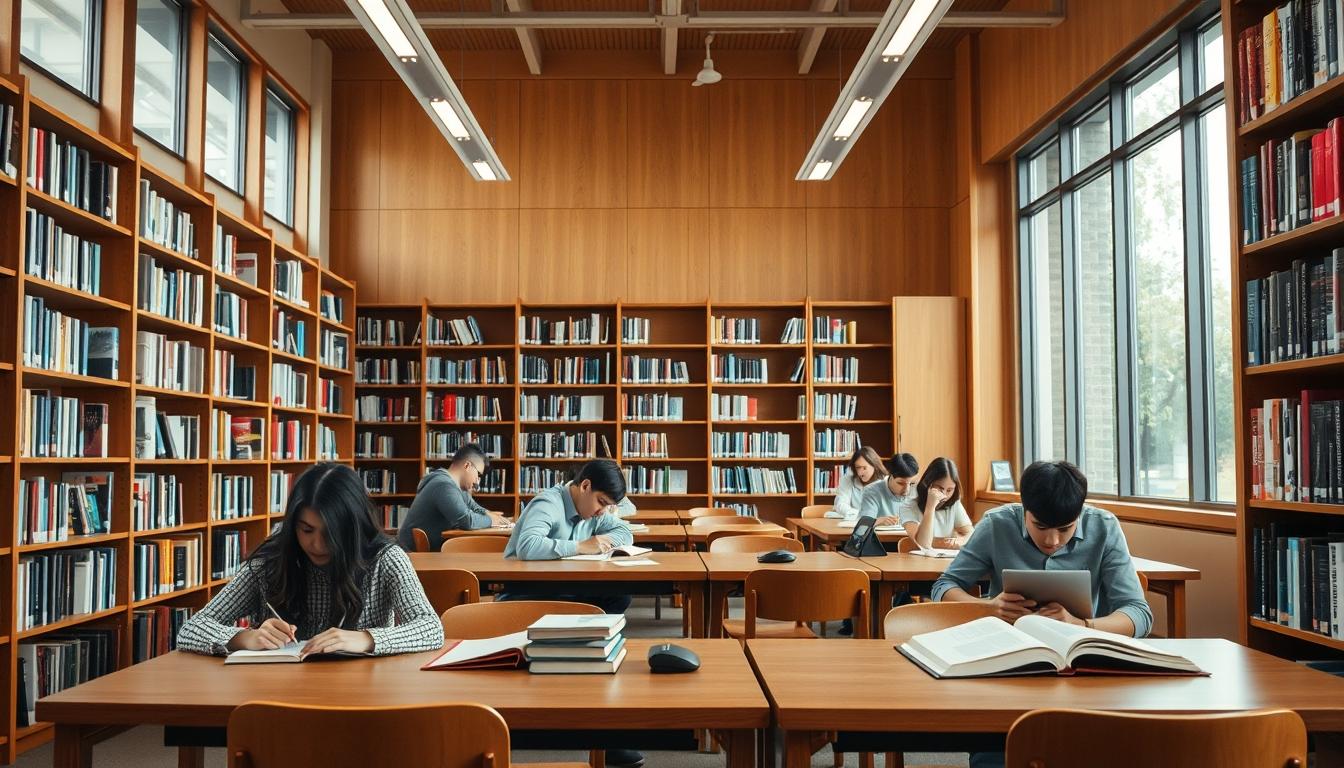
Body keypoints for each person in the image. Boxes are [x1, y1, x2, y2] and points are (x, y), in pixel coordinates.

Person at [177, 463, 444, 657]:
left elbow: (431, 628)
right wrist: (245, 638)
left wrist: (365, 639)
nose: (316, 544)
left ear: (352, 529)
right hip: (278, 697)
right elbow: (190, 629)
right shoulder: (270, 562)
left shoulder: (385, 559)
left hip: (361, 696)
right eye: (306, 530)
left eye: (331, 533)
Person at [932, 460, 1152, 636]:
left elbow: (1139, 613)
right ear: (1024, 509)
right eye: (1040, 526)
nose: (1052, 541)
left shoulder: (1104, 527)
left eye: (1065, 529)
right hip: (1006, 643)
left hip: (1081, 651)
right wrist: (986, 608)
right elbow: (943, 586)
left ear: (1079, 514)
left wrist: (1081, 625)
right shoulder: (997, 524)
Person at [499, 458, 634, 614]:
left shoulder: (595, 512)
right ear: (585, 486)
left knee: (620, 596)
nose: (603, 511)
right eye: (602, 502)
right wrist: (581, 547)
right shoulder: (548, 503)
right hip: (527, 587)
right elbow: (527, 545)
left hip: (564, 584)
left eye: (608, 506)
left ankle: (588, 629)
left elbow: (625, 532)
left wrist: (603, 541)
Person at [397, 444, 507, 552]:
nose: (477, 482)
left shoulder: (456, 487)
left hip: (430, 552)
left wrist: (491, 515)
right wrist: (491, 520)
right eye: (478, 475)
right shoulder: (444, 485)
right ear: (467, 466)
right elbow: (466, 521)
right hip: (411, 556)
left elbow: (474, 507)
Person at [897, 457, 974, 551]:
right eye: (940, 488)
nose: (944, 495)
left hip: (945, 558)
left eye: (949, 490)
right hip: (918, 559)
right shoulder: (908, 506)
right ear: (927, 484)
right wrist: (930, 507)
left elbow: (970, 533)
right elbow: (923, 544)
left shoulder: (954, 503)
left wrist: (961, 541)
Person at [825, 445, 888, 521]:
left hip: (880, 525)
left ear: (874, 465)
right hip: (853, 523)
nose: (860, 472)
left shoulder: (886, 482)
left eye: (864, 468)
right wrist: (863, 515)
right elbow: (841, 505)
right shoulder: (848, 479)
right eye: (858, 467)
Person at [858, 452, 920, 526]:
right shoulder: (871, 492)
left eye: (912, 483)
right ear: (890, 475)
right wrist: (877, 522)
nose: (907, 490)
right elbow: (863, 524)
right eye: (901, 483)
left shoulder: (918, 489)